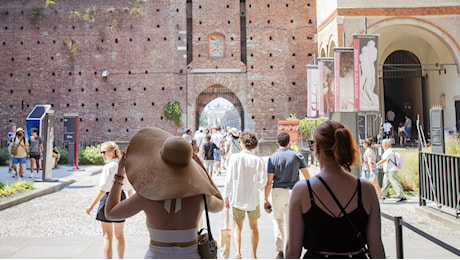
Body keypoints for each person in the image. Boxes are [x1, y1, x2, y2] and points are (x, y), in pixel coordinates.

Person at [104, 127, 223, 259]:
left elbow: (110, 213)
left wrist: (119, 176)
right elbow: (220, 203)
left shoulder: (147, 194)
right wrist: (202, 169)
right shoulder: (201, 195)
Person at [286, 120, 385, 259]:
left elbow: (292, 250)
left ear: (317, 148)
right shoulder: (366, 189)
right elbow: (376, 248)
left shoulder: (303, 190)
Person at [264, 132, 311, 259]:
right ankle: (292, 249)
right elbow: (308, 177)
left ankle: (280, 250)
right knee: (292, 222)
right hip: (294, 191)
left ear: (277, 142)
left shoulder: (272, 158)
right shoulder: (297, 156)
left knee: (278, 220)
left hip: (278, 191)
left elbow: (269, 181)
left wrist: (265, 198)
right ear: (289, 142)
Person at [86, 141, 134, 259]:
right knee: (119, 235)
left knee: (107, 236)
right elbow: (129, 187)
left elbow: (103, 189)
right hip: (121, 197)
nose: (103, 155)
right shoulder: (123, 165)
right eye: (101, 152)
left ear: (113, 152)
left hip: (108, 198)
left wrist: (91, 205)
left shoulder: (108, 167)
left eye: (104, 152)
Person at [223, 130, 267, 259]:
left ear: (241, 143)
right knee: (253, 227)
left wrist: (226, 196)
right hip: (253, 199)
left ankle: (238, 252)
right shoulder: (258, 160)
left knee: (237, 226)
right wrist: (256, 187)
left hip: (237, 197)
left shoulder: (234, 158)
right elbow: (262, 181)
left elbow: (229, 179)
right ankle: (253, 255)